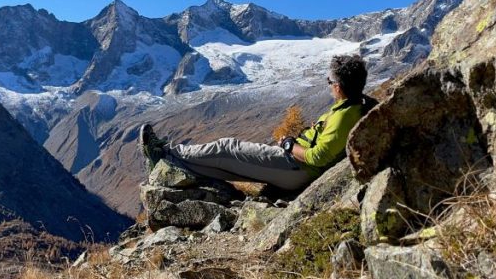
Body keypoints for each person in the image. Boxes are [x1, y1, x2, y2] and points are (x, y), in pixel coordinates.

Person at [140, 54, 372, 192]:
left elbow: (319, 157)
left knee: (226, 148)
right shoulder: (353, 106)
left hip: (297, 168)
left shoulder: (346, 114)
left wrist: (291, 145)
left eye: (329, 81)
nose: (328, 84)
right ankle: (170, 161)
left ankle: (167, 152)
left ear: (339, 87)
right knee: (225, 167)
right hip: (294, 167)